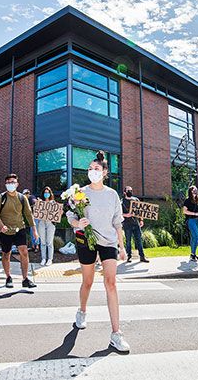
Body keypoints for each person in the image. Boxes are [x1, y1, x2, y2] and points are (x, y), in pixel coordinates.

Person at [67, 151, 129, 352]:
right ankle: (82, 311)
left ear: (104, 172)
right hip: (86, 240)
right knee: (88, 281)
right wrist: (78, 222)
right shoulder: (79, 193)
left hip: (108, 242)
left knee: (111, 283)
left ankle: (116, 334)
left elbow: (117, 223)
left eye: (97, 169)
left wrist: (122, 247)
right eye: (90, 169)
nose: (93, 171)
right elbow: (70, 216)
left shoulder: (112, 195)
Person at [0, 174, 38, 288]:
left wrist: (34, 230)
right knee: (6, 254)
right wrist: (1, 225)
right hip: (5, 230)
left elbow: (28, 214)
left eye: (13, 182)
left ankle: (25, 279)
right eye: (8, 182)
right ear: (5, 184)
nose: (10, 184)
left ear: (17, 184)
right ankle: (8, 277)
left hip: (20, 229)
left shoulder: (22, 198)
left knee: (24, 251)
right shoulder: (0, 198)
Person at [121, 186, 148, 263]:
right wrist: (126, 215)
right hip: (127, 224)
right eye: (129, 190)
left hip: (136, 224)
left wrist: (141, 220)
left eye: (131, 190)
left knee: (139, 240)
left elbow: (141, 211)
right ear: (125, 192)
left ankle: (142, 257)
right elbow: (119, 213)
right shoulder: (122, 202)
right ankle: (129, 257)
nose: (130, 191)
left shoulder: (136, 200)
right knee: (128, 241)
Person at [37, 186, 57, 266]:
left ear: (50, 193)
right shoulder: (40, 202)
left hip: (50, 223)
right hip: (41, 223)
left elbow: (57, 212)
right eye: (45, 192)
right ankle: (43, 258)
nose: (46, 194)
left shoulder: (53, 203)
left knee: (49, 242)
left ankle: (50, 259)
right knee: (43, 242)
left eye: (48, 192)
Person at [183, 185, 198, 261]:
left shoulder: (197, 200)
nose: (195, 191)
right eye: (194, 190)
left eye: (196, 190)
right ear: (190, 191)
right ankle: (193, 254)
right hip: (191, 220)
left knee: (194, 237)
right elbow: (184, 211)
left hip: (197, 220)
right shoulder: (187, 200)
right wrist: (195, 214)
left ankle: (193, 254)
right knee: (197, 237)